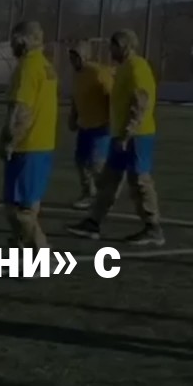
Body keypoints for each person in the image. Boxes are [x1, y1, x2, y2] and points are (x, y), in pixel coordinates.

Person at [67, 30, 165, 245]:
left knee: (139, 180)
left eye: (112, 46)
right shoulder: (123, 68)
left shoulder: (137, 67)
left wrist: (128, 132)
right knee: (108, 181)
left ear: (123, 46)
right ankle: (93, 223)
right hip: (120, 135)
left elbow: (141, 102)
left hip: (137, 136)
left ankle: (153, 227)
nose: (110, 51)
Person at [0, 21, 58, 249]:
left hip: (28, 146)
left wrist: (10, 141)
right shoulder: (45, 65)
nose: (11, 44)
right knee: (25, 206)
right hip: (41, 144)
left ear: (23, 40)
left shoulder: (28, 67)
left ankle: (42, 255)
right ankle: (21, 247)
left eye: (14, 39)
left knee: (19, 209)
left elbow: (22, 110)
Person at [67, 46, 114, 209]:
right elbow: (76, 98)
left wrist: (112, 120)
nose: (73, 60)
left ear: (85, 56)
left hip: (101, 126)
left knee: (96, 164)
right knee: (81, 161)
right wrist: (73, 116)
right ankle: (88, 193)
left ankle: (104, 196)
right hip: (84, 126)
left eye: (76, 56)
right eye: (71, 57)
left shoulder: (97, 72)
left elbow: (111, 96)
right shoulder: (76, 75)